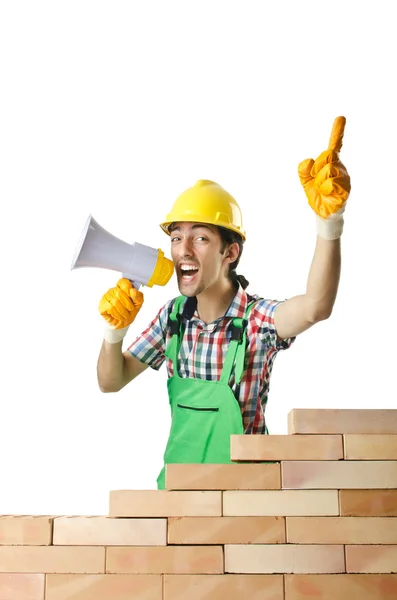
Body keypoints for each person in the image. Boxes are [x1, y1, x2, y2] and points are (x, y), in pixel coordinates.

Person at [96, 116, 351, 489]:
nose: (182, 249)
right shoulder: (172, 318)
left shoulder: (256, 321)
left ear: (230, 251)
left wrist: (329, 224)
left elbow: (316, 305)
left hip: (248, 502)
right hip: (179, 498)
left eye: (200, 238)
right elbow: (110, 381)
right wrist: (112, 332)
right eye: (177, 236)